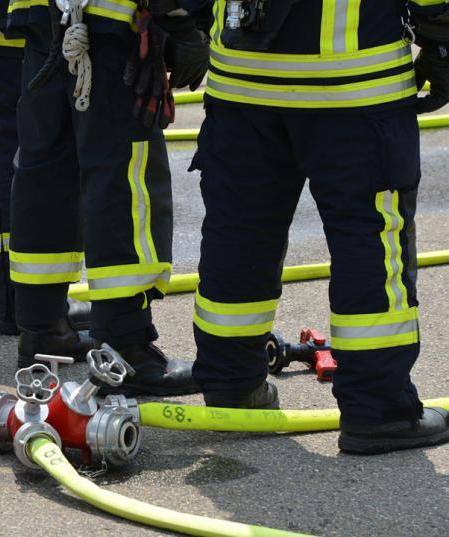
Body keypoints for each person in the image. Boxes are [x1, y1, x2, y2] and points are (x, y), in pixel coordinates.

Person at [186, 0, 449, 454]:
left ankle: (232, 384)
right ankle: (379, 410)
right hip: (354, 86)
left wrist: (183, 24)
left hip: (242, 82)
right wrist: (440, 39)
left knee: (239, 233)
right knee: (368, 240)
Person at [6, 0, 207, 396]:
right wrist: (181, 23)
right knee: (124, 177)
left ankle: (42, 328)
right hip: (111, 22)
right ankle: (124, 347)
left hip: (42, 15)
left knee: (46, 170)